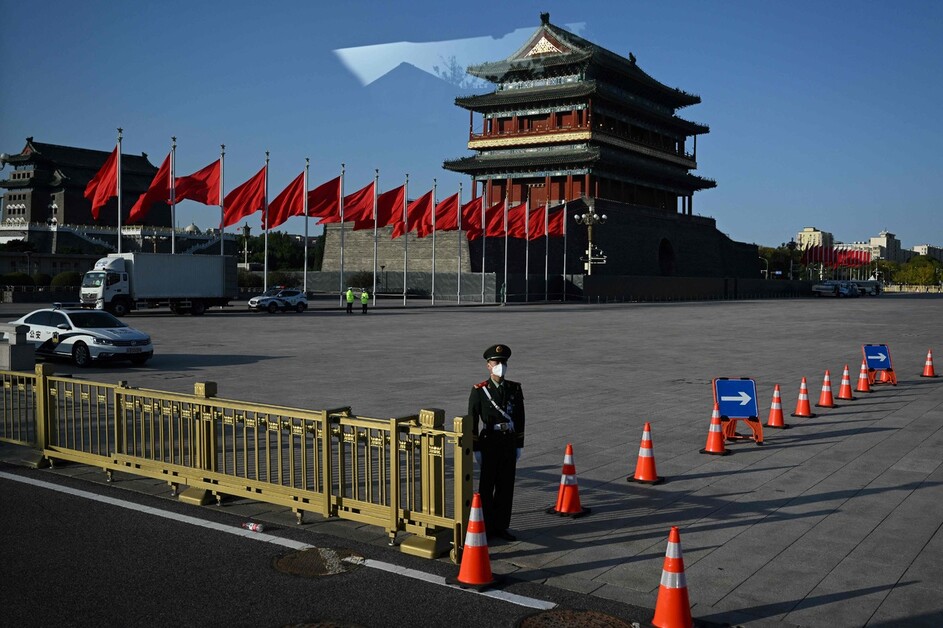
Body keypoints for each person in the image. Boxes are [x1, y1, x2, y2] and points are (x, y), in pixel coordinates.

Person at [467, 343, 524, 541]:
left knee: (506, 486)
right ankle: (487, 526)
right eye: (496, 362)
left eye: (503, 362)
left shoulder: (514, 389)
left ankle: (501, 526)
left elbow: (520, 416)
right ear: (488, 366)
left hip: (508, 442)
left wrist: (519, 444)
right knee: (487, 486)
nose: (501, 365)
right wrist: (476, 448)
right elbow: (472, 420)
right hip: (489, 441)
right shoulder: (480, 391)